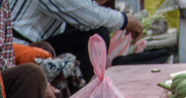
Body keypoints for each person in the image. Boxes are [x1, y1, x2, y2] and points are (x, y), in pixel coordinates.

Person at [10, 0, 142, 83]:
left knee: (90, 31)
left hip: (34, 44)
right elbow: (87, 15)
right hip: (17, 50)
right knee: (97, 35)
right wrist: (125, 20)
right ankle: (76, 97)